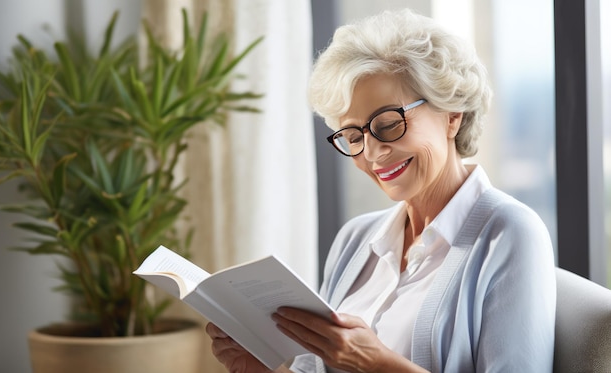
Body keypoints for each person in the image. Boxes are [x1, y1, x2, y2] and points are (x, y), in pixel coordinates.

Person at [206, 8, 556, 373]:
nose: (372, 154)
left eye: (388, 125)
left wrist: (376, 364)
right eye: (354, 136)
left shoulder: (510, 233)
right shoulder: (356, 240)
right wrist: (255, 368)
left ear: (452, 114)